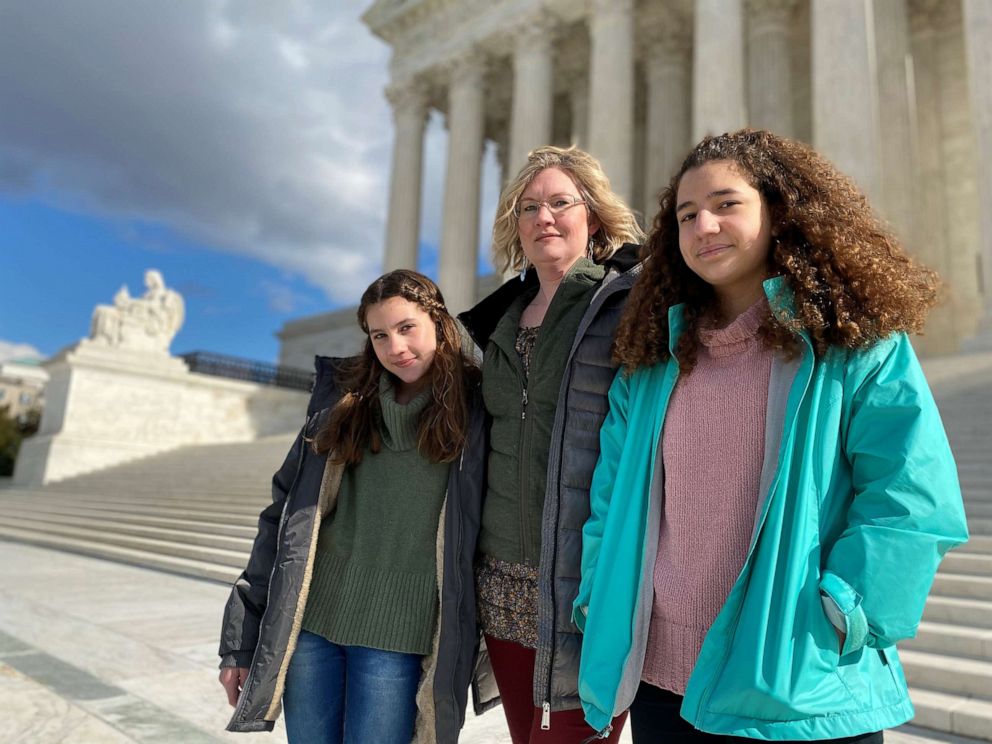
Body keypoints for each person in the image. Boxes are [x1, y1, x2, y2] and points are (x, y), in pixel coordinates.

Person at [572, 129, 969, 743]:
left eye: (727, 204)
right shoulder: (652, 362)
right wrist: (602, 596)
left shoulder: (854, 344)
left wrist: (848, 612)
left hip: (798, 687)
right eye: (686, 214)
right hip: (662, 689)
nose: (704, 226)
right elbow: (611, 500)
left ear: (777, 212)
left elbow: (913, 493)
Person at [218, 270, 494, 743]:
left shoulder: (480, 407)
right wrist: (241, 642)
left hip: (399, 637)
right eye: (380, 335)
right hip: (313, 628)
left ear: (438, 320)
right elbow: (281, 520)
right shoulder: (344, 404)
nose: (396, 347)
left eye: (407, 327)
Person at [458, 145, 645, 743]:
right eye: (529, 206)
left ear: (593, 216)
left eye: (561, 202)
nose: (545, 217)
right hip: (503, 586)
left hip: (585, 587)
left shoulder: (622, 305)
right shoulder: (497, 322)